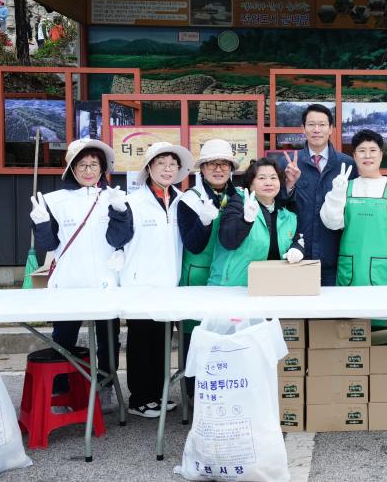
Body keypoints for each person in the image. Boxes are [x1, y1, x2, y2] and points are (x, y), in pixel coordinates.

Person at [30, 139, 132, 413]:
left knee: (108, 339)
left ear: (102, 168)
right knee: (63, 338)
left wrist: (120, 213)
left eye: (94, 165)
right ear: (71, 169)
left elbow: (120, 238)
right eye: (82, 165)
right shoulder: (54, 201)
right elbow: (49, 244)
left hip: (106, 283)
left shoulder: (113, 197)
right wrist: (41, 223)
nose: (88, 171)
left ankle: (105, 387)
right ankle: (61, 391)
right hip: (69, 283)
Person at [120, 142, 193, 418]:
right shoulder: (132, 202)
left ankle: (158, 394)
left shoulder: (182, 200)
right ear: (149, 168)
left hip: (171, 282)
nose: (167, 169)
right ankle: (140, 399)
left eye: (172, 164)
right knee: (141, 341)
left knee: (162, 340)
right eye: (161, 163)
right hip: (140, 284)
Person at [177, 138, 238, 396]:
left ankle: (224, 393)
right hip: (197, 278)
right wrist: (203, 222)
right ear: (202, 168)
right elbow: (192, 245)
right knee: (196, 339)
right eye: (212, 164)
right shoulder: (190, 200)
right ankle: (194, 395)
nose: (218, 169)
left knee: (227, 338)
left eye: (224, 164)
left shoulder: (238, 196)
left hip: (229, 278)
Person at [320, 129, 387, 287]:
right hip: (350, 270)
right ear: (354, 156)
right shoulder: (345, 187)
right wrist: (336, 193)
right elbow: (332, 223)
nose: (367, 155)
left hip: (383, 271)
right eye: (362, 151)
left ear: (381, 155)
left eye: (373, 150)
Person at [279, 104, 356, 285]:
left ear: (330, 129)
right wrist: (289, 185)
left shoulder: (346, 164)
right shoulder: (288, 163)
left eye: (322, 125)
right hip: (295, 255)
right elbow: (278, 207)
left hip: (335, 256)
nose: (316, 130)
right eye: (311, 124)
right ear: (303, 128)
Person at [209, 158, 304, 286]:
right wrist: (245, 220)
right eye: (262, 178)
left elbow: (297, 239)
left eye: (273, 178)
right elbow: (228, 241)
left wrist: (297, 249)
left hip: (270, 287)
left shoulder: (287, 216)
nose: (268, 183)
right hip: (232, 288)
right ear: (250, 184)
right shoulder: (238, 203)